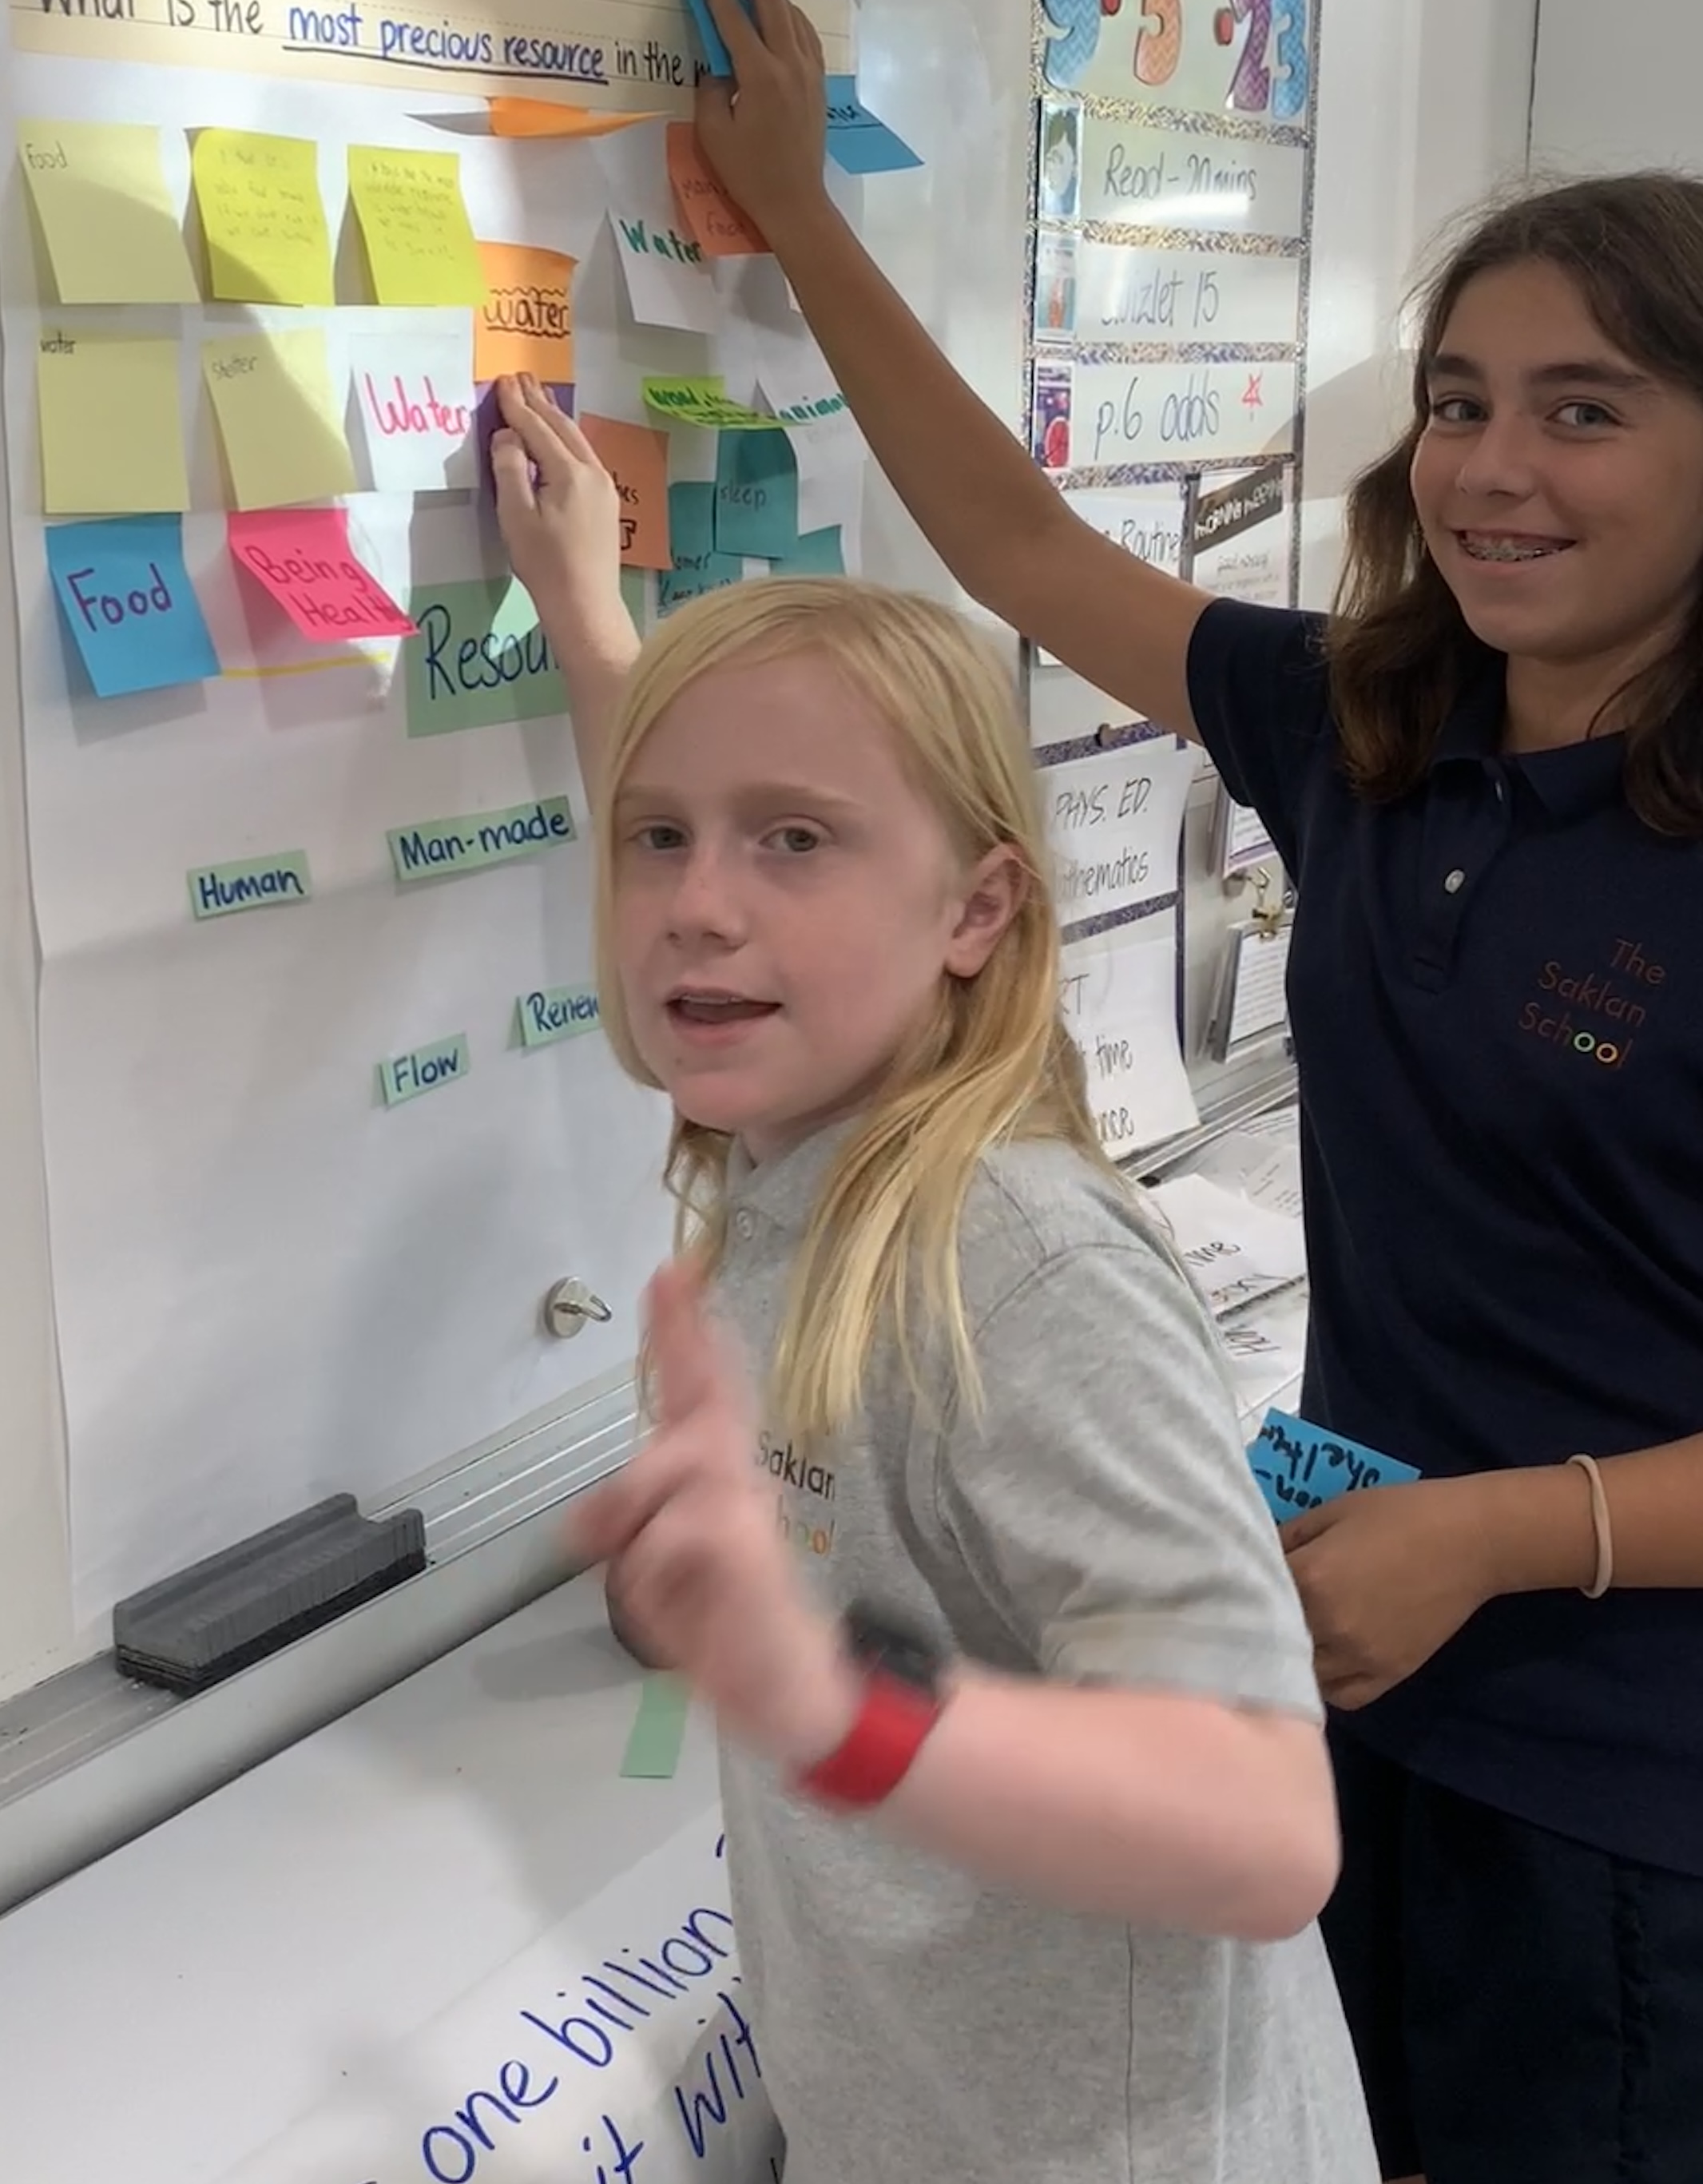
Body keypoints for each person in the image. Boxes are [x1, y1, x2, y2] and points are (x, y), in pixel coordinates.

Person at [637, 0, 1703, 2184]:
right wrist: (799, 219)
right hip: (1347, 1682)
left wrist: (1498, 1532)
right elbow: (1014, 543)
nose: (1491, 468)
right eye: (1456, 401)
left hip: (1655, 1795)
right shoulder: (1369, 728)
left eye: (1583, 411)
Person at [490, 407, 1376, 2182]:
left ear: (974, 911)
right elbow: (695, 841)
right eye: (656, 838)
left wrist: (830, 1707)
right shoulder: (782, 1143)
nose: (696, 905)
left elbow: (1268, 1831)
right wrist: (584, 614)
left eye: (793, 840)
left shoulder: (1014, 1262)